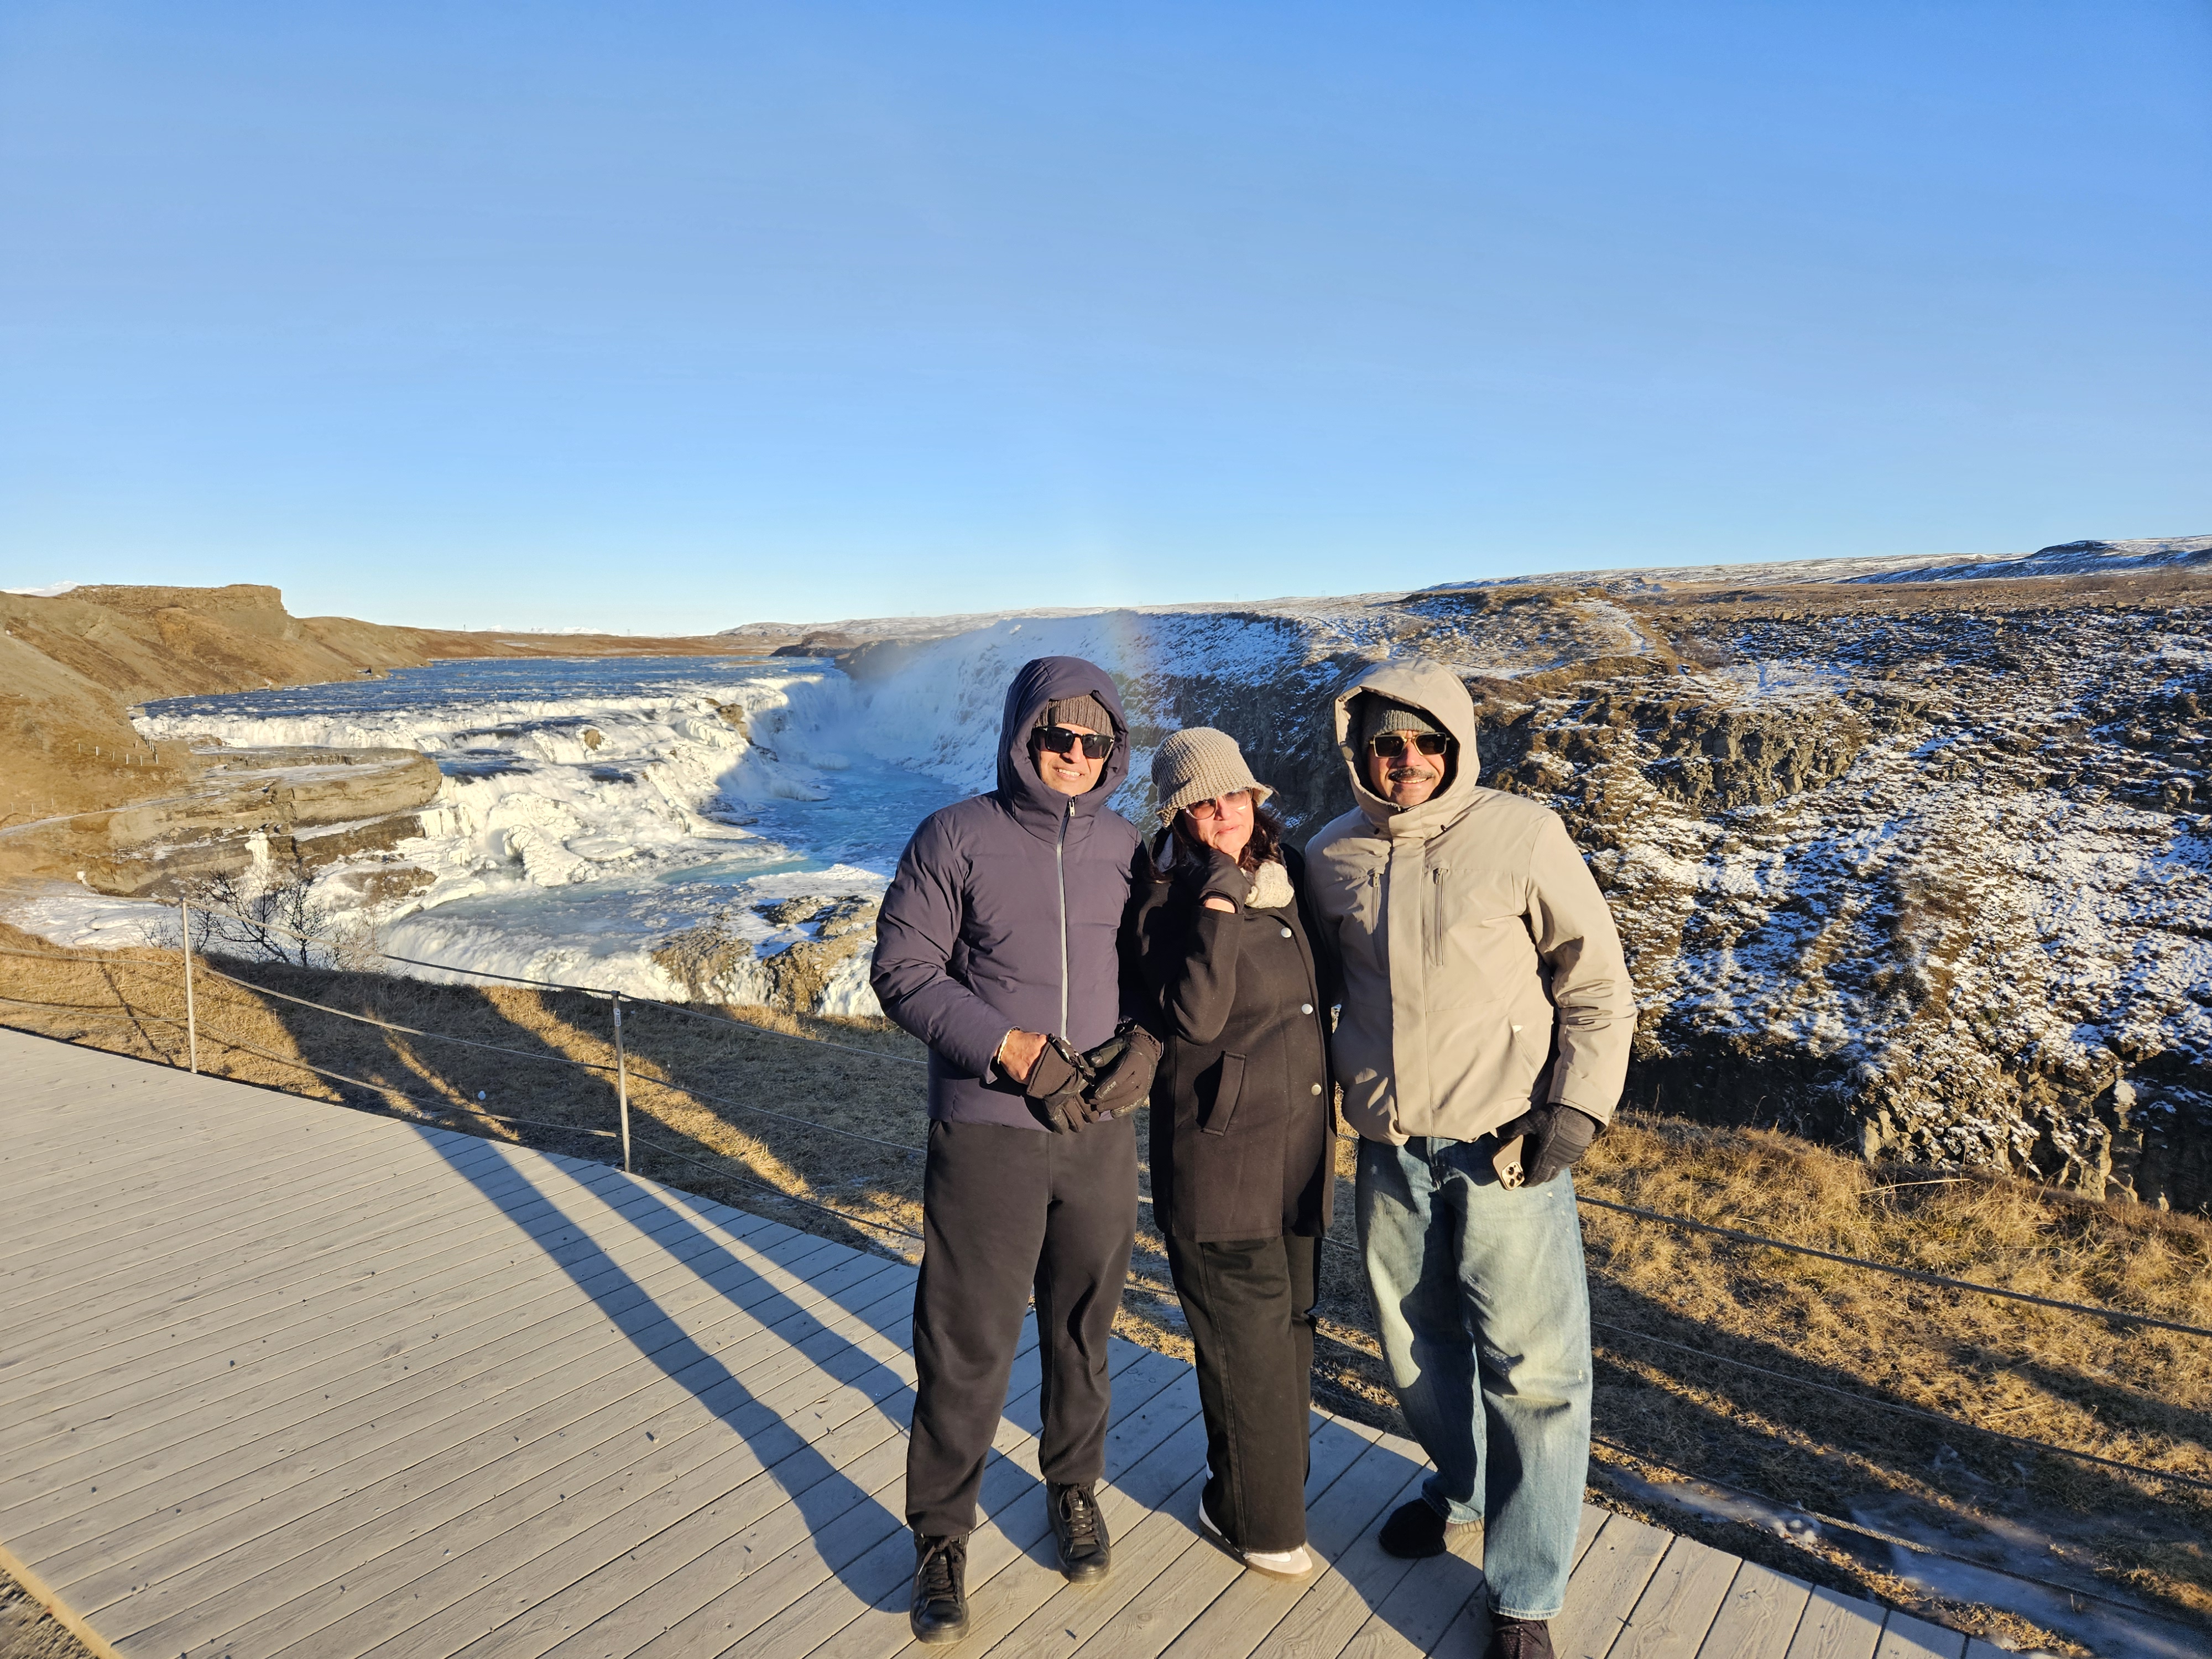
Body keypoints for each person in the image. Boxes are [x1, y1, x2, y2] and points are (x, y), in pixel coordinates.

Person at [1303, 659, 1634, 1659]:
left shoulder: (1522, 834)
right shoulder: (1330, 856)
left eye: (1425, 742)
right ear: (1359, 755)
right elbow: (1306, 989)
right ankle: (1463, 1487)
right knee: (1416, 1348)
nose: (1405, 761)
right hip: (1391, 1149)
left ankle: (1524, 1594)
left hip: (1506, 1150)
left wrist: (1574, 1110)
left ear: (1455, 744)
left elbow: (1597, 982)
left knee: (1534, 1371)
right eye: (1385, 745)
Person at [870, 656, 1160, 1645]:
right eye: (1055, 738)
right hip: (988, 1131)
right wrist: (1007, 1047)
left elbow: (1158, 978)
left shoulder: (1130, 848)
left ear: (1114, 750)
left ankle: (1073, 1488)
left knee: (1083, 1329)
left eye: (1094, 741)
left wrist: (1149, 1048)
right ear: (1020, 737)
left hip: (1099, 1137)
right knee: (966, 1343)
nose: (1073, 756)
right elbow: (902, 969)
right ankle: (942, 1537)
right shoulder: (955, 835)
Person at [1123, 728, 1337, 1578]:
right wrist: (1216, 890)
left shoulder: (1286, 883)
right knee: (1247, 1345)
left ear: (1257, 799)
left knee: (1287, 1335)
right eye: (1203, 805)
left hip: (1296, 1160)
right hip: (1218, 1164)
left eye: (1236, 798)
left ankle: (1262, 1494)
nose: (1225, 816)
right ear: (1178, 817)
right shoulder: (1165, 901)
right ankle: (1262, 1524)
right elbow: (1201, 1017)